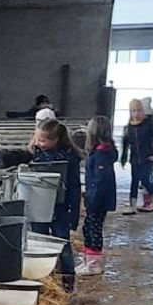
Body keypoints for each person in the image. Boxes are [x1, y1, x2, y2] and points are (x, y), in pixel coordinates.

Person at [28, 118, 83, 292]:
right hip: (38, 208)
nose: (39, 143)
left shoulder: (69, 158)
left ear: (56, 140)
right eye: (37, 139)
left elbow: (74, 187)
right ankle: (43, 281)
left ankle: (68, 282)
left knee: (62, 243)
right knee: (39, 244)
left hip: (60, 208)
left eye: (43, 140)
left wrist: (74, 214)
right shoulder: (32, 155)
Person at [80, 115, 117, 276]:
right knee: (88, 228)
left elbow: (101, 180)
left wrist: (92, 199)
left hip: (98, 200)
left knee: (94, 229)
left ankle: (94, 264)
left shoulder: (101, 154)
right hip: (94, 197)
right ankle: (88, 260)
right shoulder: (100, 152)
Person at [121, 98, 153, 214]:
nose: (136, 113)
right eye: (133, 111)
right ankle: (132, 206)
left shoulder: (149, 124)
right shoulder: (129, 127)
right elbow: (126, 143)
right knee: (134, 181)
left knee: (145, 180)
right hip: (135, 159)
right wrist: (123, 158)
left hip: (147, 158)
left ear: (143, 111)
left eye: (139, 110)